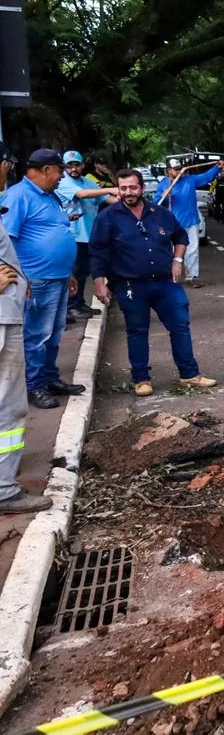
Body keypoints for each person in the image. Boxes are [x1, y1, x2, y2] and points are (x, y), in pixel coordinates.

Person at [89, 169, 217, 397]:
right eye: (123, 188)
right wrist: (99, 282)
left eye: (133, 187)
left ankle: (189, 374)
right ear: (119, 189)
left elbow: (180, 236)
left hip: (166, 283)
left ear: (142, 188)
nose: (128, 192)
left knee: (180, 326)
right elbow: (98, 251)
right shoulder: (107, 217)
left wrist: (178, 260)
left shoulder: (159, 213)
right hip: (130, 285)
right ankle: (141, 379)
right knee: (137, 330)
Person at [0, 149, 83, 410]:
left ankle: (49, 378)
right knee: (36, 335)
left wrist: (68, 271)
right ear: (46, 170)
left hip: (57, 277)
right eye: (59, 170)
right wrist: (19, 278)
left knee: (54, 333)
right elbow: (7, 241)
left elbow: (58, 231)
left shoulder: (50, 196)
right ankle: (34, 385)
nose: (62, 176)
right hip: (36, 279)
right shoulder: (18, 197)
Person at [0, 145, 47, 513]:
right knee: (7, 405)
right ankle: (2, 489)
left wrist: (22, 278)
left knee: (9, 406)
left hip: (8, 314)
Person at [56, 150, 116, 324]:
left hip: (88, 235)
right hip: (72, 235)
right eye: (69, 165)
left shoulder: (87, 182)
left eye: (76, 165)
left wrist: (128, 198)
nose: (73, 169)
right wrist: (112, 188)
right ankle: (70, 307)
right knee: (74, 272)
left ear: (82, 165)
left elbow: (106, 199)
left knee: (83, 272)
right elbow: (82, 194)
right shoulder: (63, 182)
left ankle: (79, 303)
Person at [154, 158, 224, 288]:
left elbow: (206, 177)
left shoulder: (190, 180)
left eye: (180, 168)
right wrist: (164, 196)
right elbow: (156, 204)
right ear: (168, 170)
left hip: (191, 221)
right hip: (172, 224)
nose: (179, 171)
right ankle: (172, 277)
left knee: (192, 250)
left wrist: (217, 167)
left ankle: (191, 277)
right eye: (176, 169)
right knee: (171, 251)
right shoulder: (164, 185)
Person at [211, 159, 224, 224]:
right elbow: (212, 186)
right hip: (218, 196)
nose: (223, 174)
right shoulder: (216, 180)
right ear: (220, 173)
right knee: (217, 207)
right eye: (222, 172)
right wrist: (211, 192)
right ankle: (217, 218)